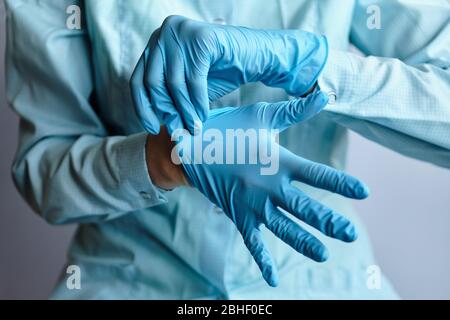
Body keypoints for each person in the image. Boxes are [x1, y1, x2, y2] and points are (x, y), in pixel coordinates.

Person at [5, 0, 449, 299]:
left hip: (318, 279)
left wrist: (311, 65)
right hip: (129, 281)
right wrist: (167, 159)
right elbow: (44, 169)